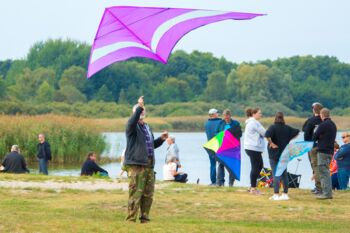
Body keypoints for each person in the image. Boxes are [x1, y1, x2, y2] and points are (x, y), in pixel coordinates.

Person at [124, 96, 168, 223]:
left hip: (149, 164)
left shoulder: (147, 127)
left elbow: (150, 145)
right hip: (137, 165)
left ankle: (145, 218)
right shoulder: (131, 126)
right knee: (135, 193)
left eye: (143, 110)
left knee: (148, 194)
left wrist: (161, 139)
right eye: (140, 110)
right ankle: (131, 219)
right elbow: (133, 120)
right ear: (135, 112)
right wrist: (139, 106)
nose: (142, 112)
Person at [265, 112, 299, 201]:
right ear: (283, 118)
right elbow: (297, 132)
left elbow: (266, 135)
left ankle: (276, 194)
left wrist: (271, 143)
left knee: (276, 173)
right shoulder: (287, 128)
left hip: (274, 154)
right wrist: (288, 139)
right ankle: (285, 194)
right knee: (284, 174)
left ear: (275, 118)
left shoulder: (272, 127)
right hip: (284, 154)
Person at [312, 108, 337, 199]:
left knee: (323, 172)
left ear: (322, 115)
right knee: (326, 170)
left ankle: (327, 194)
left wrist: (319, 136)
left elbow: (314, 136)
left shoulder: (323, 125)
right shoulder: (333, 125)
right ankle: (327, 192)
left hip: (323, 151)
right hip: (330, 151)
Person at [215, 109, 242, 187]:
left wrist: (230, 134)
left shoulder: (236, 123)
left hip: (232, 147)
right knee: (220, 164)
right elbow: (216, 133)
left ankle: (231, 183)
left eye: (227, 116)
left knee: (231, 165)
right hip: (222, 147)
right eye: (224, 116)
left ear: (230, 116)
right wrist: (223, 134)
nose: (226, 117)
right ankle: (220, 183)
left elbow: (239, 134)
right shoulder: (220, 123)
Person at [244, 108, 266, 195]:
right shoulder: (253, 123)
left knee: (260, 166)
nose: (261, 115)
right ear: (254, 114)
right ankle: (253, 189)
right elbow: (264, 133)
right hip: (253, 148)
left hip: (253, 148)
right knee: (255, 167)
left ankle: (251, 186)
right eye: (259, 113)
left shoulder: (253, 122)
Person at [302, 102, 323, 194]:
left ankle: (318, 187)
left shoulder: (311, 120)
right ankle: (322, 186)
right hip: (323, 146)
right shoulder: (325, 120)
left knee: (314, 166)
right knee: (322, 166)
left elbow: (305, 132)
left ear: (313, 110)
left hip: (312, 146)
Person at [204, 108, 221, 185]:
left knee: (212, 164)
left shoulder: (207, 123)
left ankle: (213, 181)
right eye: (217, 113)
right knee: (220, 164)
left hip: (209, 146)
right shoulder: (220, 122)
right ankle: (219, 181)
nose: (218, 114)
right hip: (217, 145)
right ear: (214, 114)